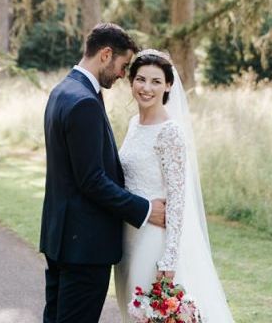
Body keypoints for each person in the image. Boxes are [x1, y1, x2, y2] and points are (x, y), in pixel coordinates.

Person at [40, 24, 167, 323]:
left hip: (60, 237)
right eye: (123, 65)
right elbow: (91, 180)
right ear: (106, 54)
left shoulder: (62, 90)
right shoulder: (85, 101)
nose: (123, 74)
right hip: (84, 246)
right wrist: (145, 209)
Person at [114, 49, 234, 323]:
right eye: (141, 79)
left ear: (168, 85)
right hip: (128, 236)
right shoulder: (133, 124)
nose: (146, 88)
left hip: (153, 240)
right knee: (131, 311)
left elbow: (178, 198)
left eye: (156, 81)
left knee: (149, 313)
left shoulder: (170, 132)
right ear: (131, 81)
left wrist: (169, 258)